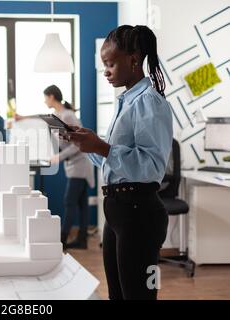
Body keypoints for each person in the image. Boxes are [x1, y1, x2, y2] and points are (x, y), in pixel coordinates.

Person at [65, 25, 173, 300]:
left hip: (140, 212)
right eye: (104, 64)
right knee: (118, 294)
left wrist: (102, 146)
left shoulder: (149, 102)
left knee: (138, 295)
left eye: (111, 63)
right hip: (118, 210)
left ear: (134, 59)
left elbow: (151, 167)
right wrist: (87, 144)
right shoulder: (126, 101)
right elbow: (115, 162)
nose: (106, 71)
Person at [16, 85, 94, 249]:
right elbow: (41, 117)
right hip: (73, 164)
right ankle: (82, 241)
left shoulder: (68, 115)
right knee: (81, 203)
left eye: (45, 98)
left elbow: (80, 143)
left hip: (79, 165)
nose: (44, 101)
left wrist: (59, 156)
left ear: (51, 97)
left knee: (69, 201)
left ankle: (62, 240)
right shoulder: (57, 116)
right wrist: (23, 118)